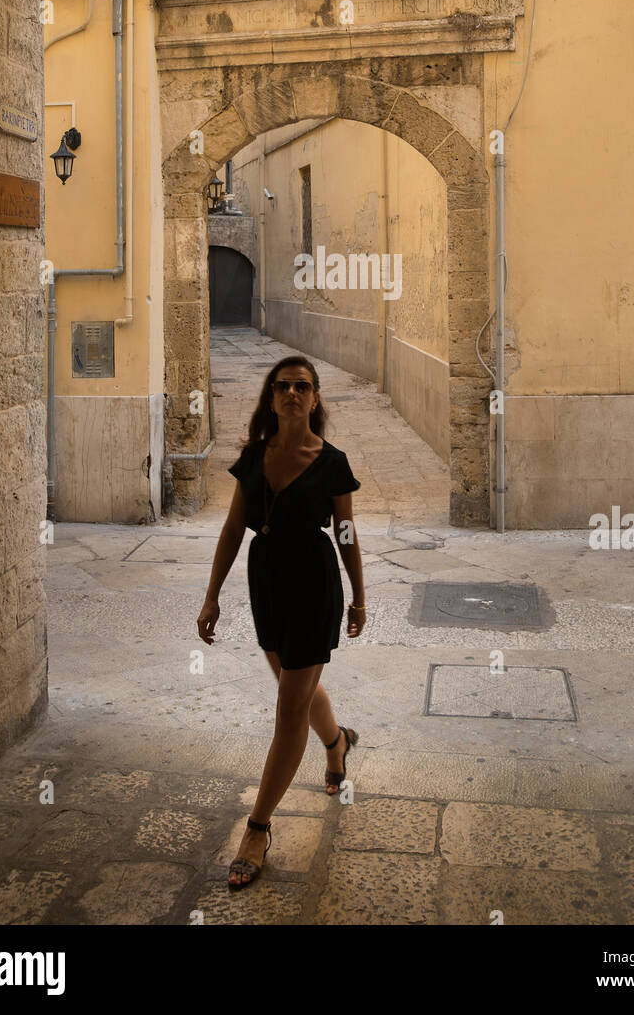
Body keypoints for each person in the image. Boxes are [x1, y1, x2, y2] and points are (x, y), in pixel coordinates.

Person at [196, 354, 366, 889]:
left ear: (315, 399)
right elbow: (231, 531)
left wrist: (360, 595)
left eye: (303, 386)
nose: (292, 393)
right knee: (296, 685)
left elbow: (345, 533)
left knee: (288, 707)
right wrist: (211, 597)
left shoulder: (332, 461)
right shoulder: (254, 457)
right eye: (283, 386)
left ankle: (257, 827)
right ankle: (336, 742)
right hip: (266, 583)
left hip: (315, 587)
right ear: (272, 398)